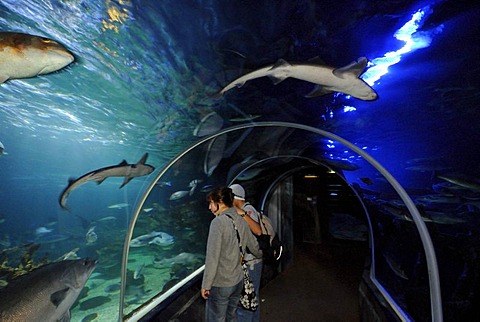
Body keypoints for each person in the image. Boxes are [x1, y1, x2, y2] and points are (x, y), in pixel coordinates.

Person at [201, 187, 262, 322]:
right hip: (237, 281)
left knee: (216, 318)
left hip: (221, 283)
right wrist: (261, 254)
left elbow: (212, 257)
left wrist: (206, 285)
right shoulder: (241, 218)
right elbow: (254, 246)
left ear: (220, 202)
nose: (210, 207)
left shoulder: (218, 222)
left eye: (211, 203)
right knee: (231, 317)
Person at [229, 184, 262, 322]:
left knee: (245, 304)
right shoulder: (240, 210)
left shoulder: (247, 210)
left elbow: (257, 230)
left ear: (236, 198)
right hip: (250, 262)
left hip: (250, 263)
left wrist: (239, 212)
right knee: (252, 298)